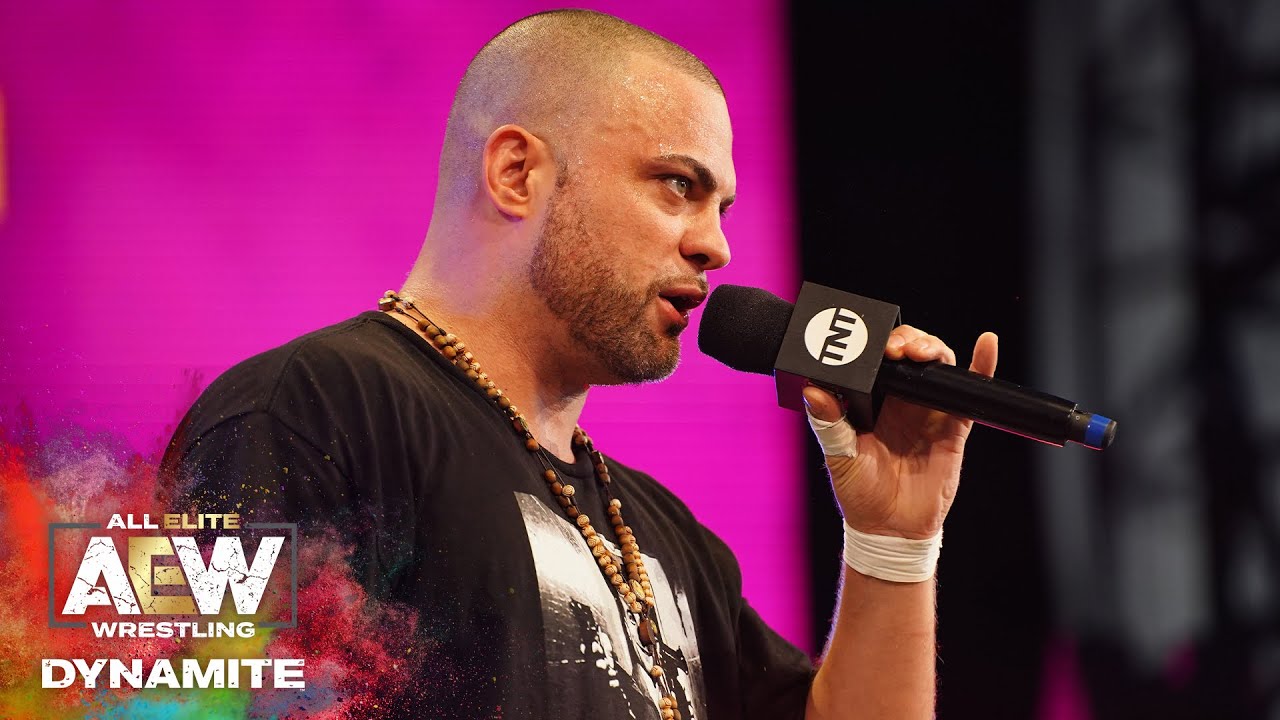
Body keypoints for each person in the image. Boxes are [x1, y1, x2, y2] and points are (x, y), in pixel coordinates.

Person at [162, 8, 999, 719]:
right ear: (517, 172)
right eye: (677, 185)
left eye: (721, 206)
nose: (715, 246)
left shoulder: (668, 539)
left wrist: (894, 542)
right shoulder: (300, 414)